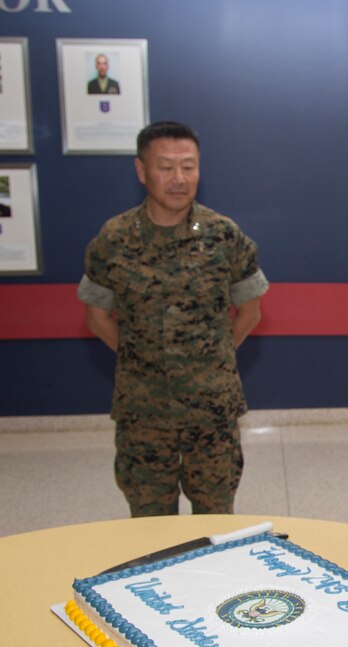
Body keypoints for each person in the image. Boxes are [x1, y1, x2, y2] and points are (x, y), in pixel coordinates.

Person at [77, 121, 268, 517]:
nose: (179, 179)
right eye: (165, 167)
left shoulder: (224, 236)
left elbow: (250, 312)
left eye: (189, 166)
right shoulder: (114, 239)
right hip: (143, 413)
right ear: (141, 170)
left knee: (216, 518)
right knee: (149, 523)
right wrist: (143, 358)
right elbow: (96, 317)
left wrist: (209, 357)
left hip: (212, 411)